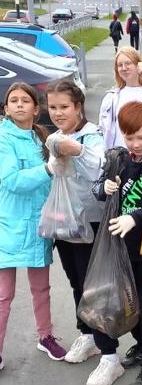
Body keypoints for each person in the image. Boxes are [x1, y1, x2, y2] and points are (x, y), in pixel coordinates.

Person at [91, 101, 142, 385]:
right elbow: (95, 188)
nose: (136, 144)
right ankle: (141, 346)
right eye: (129, 137)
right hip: (122, 248)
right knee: (131, 303)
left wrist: (134, 217)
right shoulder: (118, 158)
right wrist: (104, 188)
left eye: (141, 137)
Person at [0, 82, 66, 369]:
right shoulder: (3, 139)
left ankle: (46, 336)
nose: (18, 104)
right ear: (6, 108)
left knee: (41, 288)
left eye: (24, 100)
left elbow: (50, 185)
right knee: (3, 295)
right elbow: (11, 181)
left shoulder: (40, 138)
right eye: (13, 100)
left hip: (38, 226)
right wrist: (47, 169)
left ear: (36, 109)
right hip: (8, 226)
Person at [45, 78, 106, 365]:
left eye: (64, 107)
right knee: (74, 280)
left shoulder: (92, 136)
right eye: (53, 107)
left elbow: (100, 167)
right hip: (64, 221)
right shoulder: (56, 137)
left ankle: (101, 341)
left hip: (90, 221)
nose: (58, 113)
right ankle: (87, 334)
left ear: (78, 107)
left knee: (89, 282)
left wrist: (77, 150)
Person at [99, 47, 142, 149]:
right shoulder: (111, 98)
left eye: (128, 63)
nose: (124, 68)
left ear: (138, 64)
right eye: (120, 65)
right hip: (120, 154)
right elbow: (102, 130)